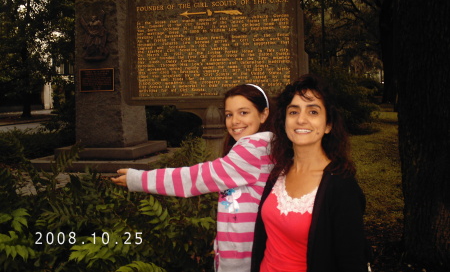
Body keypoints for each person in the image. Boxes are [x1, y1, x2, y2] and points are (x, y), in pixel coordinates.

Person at [112, 84, 273, 272]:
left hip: (245, 259)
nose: (235, 121)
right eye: (229, 114)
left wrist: (138, 179)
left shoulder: (253, 150)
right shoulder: (260, 148)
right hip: (240, 251)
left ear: (263, 115)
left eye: (243, 113)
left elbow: (194, 178)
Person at [251, 74, 368, 272]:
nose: (301, 120)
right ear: (284, 121)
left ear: (328, 125)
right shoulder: (278, 173)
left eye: (313, 112)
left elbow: (352, 261)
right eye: (293, 112)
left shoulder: (341, 186)